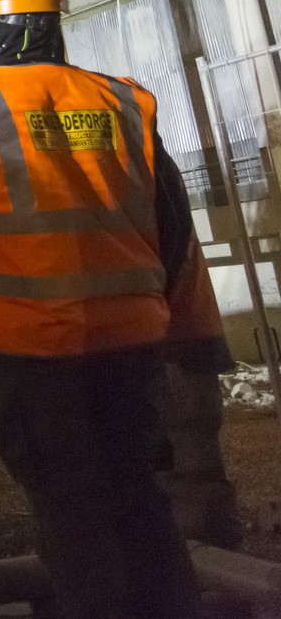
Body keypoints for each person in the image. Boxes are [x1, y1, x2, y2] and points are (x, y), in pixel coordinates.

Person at [0, 0, 200, 619]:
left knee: (70, 505)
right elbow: (173, 221)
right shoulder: (121, 100)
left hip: (28, 347)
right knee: (138, 494)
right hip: (131, 341)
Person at [162, 234, 243, 549]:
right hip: (185, 333)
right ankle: (218, 574)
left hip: (166, 340)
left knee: (188, 475)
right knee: (194, 474)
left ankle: (214, 579)